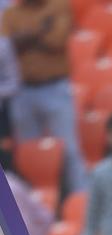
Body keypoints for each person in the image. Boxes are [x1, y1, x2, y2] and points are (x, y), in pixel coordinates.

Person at [2, 0, 88, 193]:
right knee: (29, 153)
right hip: (22, 92)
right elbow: (7, 46)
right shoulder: (11, 13)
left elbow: (56, 41)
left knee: (69, 150)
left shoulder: (58, 6)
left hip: (55, 87)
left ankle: (81, 199)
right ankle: (34, 201)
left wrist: (24, 39)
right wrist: (41, 30)